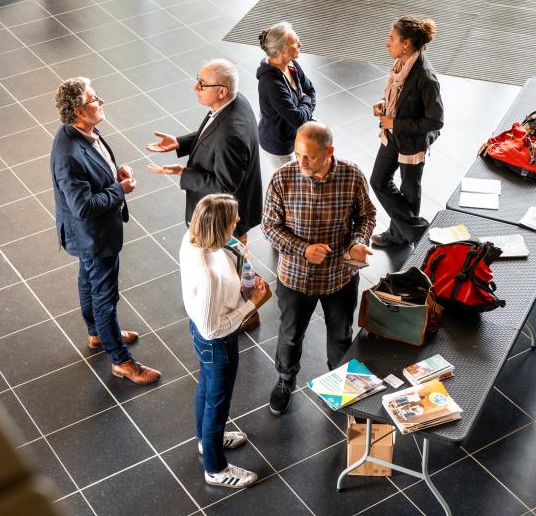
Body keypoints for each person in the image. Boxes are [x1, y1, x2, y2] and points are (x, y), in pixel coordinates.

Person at [50, 77, 161, 385]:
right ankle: (121, 361)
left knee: (88, 279)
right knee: (105, 295)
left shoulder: (85, 131)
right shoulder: (68, 153)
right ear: (77, 111)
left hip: (91, 235)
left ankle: (97, 333)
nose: (102, 102)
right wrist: (120, 189)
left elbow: (95, 171)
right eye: (94, 100)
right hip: (93, 235)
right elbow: (82, 206)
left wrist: (114, 174)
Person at [262, 121, 376, 415]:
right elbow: (270, 228)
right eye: (298, 154)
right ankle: (285, 381)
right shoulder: (282, 178)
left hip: (340, 276)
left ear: (329, 151)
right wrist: (303, 249)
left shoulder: (352, 176)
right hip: (295, 278)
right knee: (289, 336)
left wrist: (358, 242)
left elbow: (366, 215)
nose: (300, 162)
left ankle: (338, 381)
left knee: (340, 335)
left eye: (308, 156)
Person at [180, 194, 269, 489]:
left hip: (201, 332)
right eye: (233, 218)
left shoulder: (192, 238)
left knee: (206, 387)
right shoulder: (210, 277)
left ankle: (207, 442)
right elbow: (212, 329)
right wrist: (253, 303)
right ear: (219, 227)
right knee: (218, 402)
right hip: (217, 342)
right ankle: (216, 469)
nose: (239, 220)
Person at [147, 59, 262, 245]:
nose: (195, 87)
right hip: (234, 211)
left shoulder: (231, 134)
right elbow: (212, 132)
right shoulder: (234, 101)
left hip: (223, 222)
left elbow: (225, 187)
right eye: (198, 79)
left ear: (222, 91)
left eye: (202, 84)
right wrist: (179, 142)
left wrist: (182, 173)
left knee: (225, 267)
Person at [369, 16, 444, 249]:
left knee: (409, 191)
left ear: (406, 44)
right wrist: (383, 104)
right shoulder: (400, 65)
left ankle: (399, 235)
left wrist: (395, 122)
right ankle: (417, 233)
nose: (386, 43)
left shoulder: (425, 77)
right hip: (391, 134)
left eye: (392, 39)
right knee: (378, 181)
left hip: (412, 142)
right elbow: (398, 99)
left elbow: (435, 120)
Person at [256, 22, 316, 173]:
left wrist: (304, 100)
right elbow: (298, 119)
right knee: (290, 181)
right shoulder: (272, 82)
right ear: (282, 50)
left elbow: (311, 90)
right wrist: (306, 100)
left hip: (293, 135)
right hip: (279, 145)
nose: (300, 44)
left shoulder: (291, 64)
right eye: (295, 42)